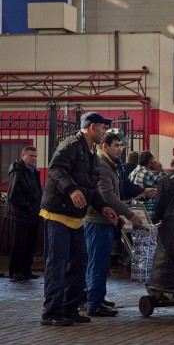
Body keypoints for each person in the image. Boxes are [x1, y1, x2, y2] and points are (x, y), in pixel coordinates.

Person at [39, 112, 118, 326]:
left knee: (79, 263)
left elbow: (90, 188)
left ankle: (70, 309)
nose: (105, 132)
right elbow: (55, 169)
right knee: (58, 264)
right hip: (57, 213)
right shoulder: (71, 145)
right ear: (92, 127)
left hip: (75, 217)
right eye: (103, 128)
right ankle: (51, 312)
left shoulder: (91, 152)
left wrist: (104, 207)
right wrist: (71, 190)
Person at [84, 130, 145, 317]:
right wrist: (128, 214)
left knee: (100, 263)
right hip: (98, 220)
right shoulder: (103, 165)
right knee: (98, 264)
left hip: (106, 220)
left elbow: (116, 192)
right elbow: (107, 195)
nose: (120, 149)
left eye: (122, 145)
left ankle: (97, 297)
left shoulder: (111, 164)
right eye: (116, 145)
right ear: (105, 146)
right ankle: (94, 303)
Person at [6, 146, 42, 281]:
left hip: (33, 214)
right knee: (19, 244)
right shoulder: (18, 171)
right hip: (21, 215)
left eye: (35, 156)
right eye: (31, 156)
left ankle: (26, 270)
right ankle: (15, 271)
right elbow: (14, 195)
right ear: (23, 156)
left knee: (30, 244)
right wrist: (30, 208)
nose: (33, 159)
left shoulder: (33, 171)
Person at [128, 150, 165, 222]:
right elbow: (164, 180)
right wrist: (160, 170)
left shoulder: (133, 172)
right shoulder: (147, 173)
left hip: (136, 210)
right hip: (148, 212)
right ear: (150, 161)